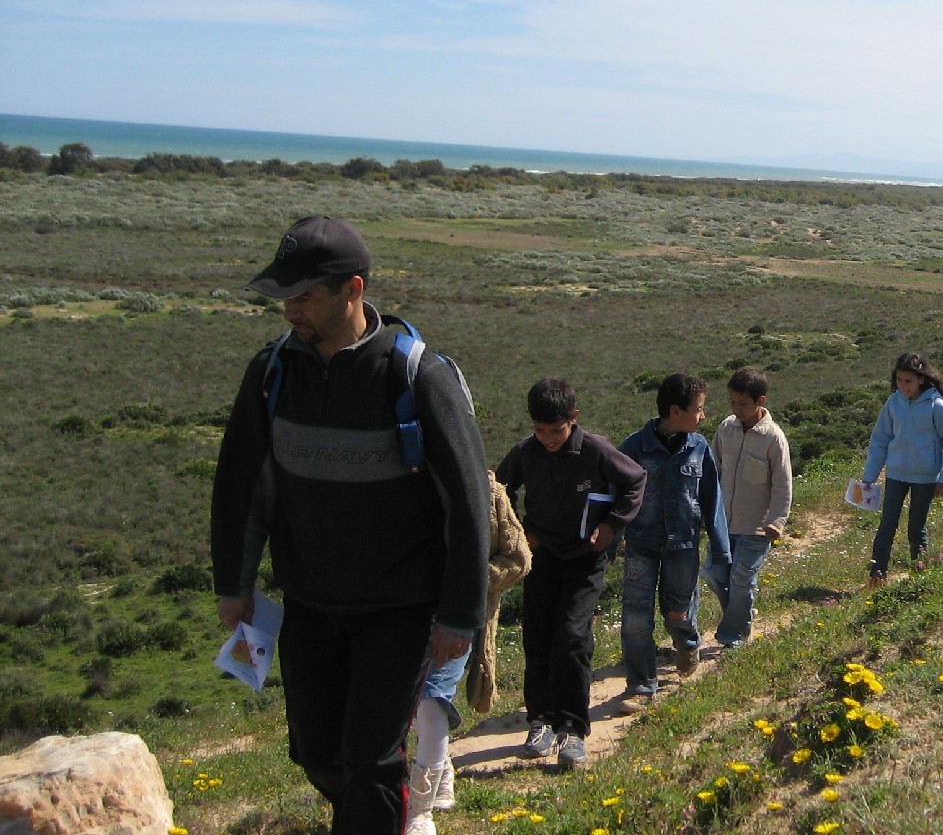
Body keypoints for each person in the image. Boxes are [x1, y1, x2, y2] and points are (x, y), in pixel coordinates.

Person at [210, 216, 491, 834]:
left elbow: (468, 501)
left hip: (401, 607)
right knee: (317, 753)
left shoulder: (418, 377)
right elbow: (241, 484)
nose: (290, 311)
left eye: (305, 296)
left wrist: (458, 614)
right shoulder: (272, 375)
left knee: (370, 759)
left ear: (353, 290)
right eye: (286, 297)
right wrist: (233, 582)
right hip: (311, 601)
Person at [497, 378, 645, 769]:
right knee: (539, 636)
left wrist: (611, 526)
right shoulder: (525, 453)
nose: (548, 438)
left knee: (573, 637)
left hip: (585, 559)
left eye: (556, 430)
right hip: (541, 557)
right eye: (540, 430)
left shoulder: (595, 450)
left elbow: (635, 480)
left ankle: (573, 730)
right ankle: (541, 721)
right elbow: (497, 491)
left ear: (574, 419)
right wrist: (518, 531)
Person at [405, 472, 531, 832]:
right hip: (403, 614)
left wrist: (469, 583)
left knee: (432, 698)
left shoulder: (488, 491)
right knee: (409, 703)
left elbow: (518, 558)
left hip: (457, 615)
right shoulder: (397, 484)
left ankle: (419, 810)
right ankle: (441, 766)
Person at [616, 374, 731, 713]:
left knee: (678, 610)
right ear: (674, 411)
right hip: (641, 544)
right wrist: (607, 542)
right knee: (636, 617)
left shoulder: (699, 447)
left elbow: (711, 497)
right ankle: (640, 685)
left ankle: (687, 643)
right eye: (698, 410)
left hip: (683, 545)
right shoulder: (634, 448)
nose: (703, 417)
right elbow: (616, 498)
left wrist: (721, 546)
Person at [856, 353, 943, 587]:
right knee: (886, 526)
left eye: (908, 381)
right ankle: (877, 575)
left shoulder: (937, 406)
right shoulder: (893, 403)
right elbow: (880, 440)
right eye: (899, 380)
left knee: (916, 528)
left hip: (926, 478)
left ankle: (920, 576)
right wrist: (869, 477)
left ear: (921, 379)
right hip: (896, 475)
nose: (903, 386)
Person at [706, 367, 793, 649]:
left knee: (742, 578)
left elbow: (783, 483)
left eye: (743, 403)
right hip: (723, 523)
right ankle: (743, 612)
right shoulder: (725, 428)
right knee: (714, 574)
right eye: (732, 402)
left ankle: (734, 636)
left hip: (757, 526)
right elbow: (713, 469)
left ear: (760, 401)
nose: (736, 409)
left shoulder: (773, 437)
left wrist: (777, 520)